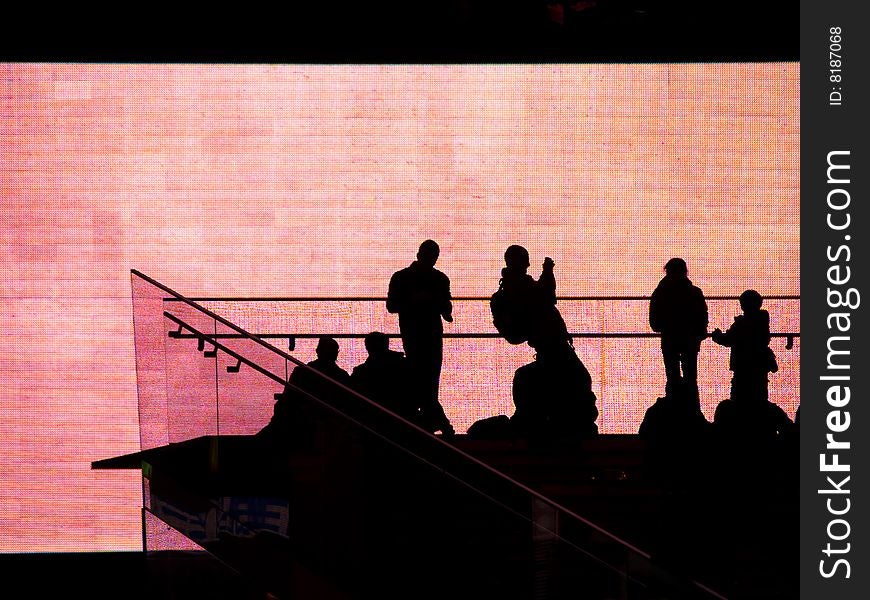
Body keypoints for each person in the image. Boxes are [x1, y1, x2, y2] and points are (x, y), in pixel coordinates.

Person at [387, 240, 454, 435]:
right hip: (429, 335)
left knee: (421, 379)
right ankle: (437, 422)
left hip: (414, 335)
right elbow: (447, 312)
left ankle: (430, 422)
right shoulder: (440, 279)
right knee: (430, 380)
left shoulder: (401, 277)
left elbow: (392, 306)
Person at [259, 336, 352, 447]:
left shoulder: (302, 372)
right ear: (336, 353)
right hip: (329, 423)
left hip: (301, 419)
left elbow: (288, 397)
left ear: (317, 351)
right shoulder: (341, 376)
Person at [649, 258, 708, 392]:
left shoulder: (660, 292)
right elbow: (702, 315)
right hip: (690, 338)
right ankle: (691, 407)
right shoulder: (694, 292)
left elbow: (654, 322)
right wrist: (700, 331)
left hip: (669, 337)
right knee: (690, 376)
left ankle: (673, 404)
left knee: (672, 376)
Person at [497, 244, 571, 351]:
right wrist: (547, 272)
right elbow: (545, 297)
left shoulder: (512, 287)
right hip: (551, 346)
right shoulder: (520, 286)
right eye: (525, 260)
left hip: (547, 345)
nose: (528, 264)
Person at [711, 289, 777, 405]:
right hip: (759, 366)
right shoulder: (762, 320)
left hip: (742, 366)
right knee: (759, 399)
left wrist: (717, 336)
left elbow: (728, 339)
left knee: (739, 400)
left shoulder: (742, 323)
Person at [351, 331, 419, 424]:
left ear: (367, 347)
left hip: (373, 421)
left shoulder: (361, 372)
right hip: (404, 419)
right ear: (386, 345)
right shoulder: (404, 366)